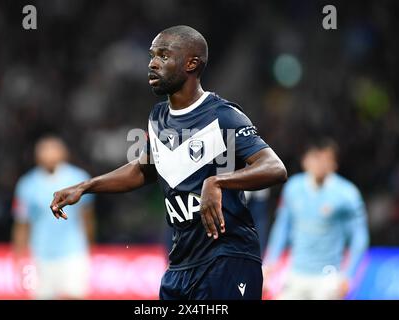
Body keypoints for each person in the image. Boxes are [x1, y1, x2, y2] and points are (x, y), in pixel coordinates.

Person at [50, 25, 287, 300]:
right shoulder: (157, 117)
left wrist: (218, 180)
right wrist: (86, 186)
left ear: (191, 63)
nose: (152, 63)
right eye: (152, 55)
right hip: (180, 265)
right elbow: (143, 169)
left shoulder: (223, 115)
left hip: (227, 259)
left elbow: (274, 167)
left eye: (163, 55)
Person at [264, 138, 369, 300]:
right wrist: (270, 262)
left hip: (327, 277)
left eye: (325, 159)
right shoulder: (293, 188)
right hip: (296, 273)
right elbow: (282, 227)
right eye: (316, 157)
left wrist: (349, 274)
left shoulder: (347, 194)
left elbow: (359, 237)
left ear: (334, 164)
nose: (320, 164)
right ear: (305, 160)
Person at [12, 136, 95, 299]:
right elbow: (22, 224)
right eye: (44, 150)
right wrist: (19, 257)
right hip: (40, 255)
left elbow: (87, 217)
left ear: (64, 153)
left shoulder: (79, 179)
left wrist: (89, 248)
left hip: (74, 252)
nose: (49, 154)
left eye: (53, 149)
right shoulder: (27, 184)